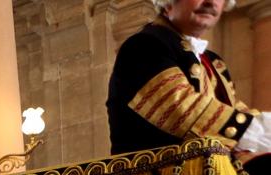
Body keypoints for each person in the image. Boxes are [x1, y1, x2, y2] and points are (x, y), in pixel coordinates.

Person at [108, 2, 271, 164]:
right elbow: (181, 108)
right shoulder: (143, 46)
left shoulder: (213, 61)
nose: (210, 2)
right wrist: (256, 131)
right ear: (168, 2)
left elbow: (234, 108)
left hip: (210, 170)